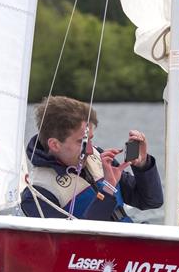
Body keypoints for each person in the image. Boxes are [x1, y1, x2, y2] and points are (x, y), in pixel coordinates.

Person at [21, 95, 163, 222]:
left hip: (130, 242)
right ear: (55, 144)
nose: (90, 150)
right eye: (81, 142)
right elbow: (75, 241)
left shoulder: (98, 158)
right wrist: (108, 190)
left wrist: (142, 165)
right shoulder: (37, 194)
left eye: (90, 140)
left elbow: (151, 202)